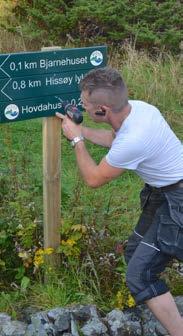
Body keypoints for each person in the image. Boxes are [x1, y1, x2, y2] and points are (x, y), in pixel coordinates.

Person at [56, 66, 183, 336]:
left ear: (102, 109)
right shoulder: (138, 109)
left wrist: (76, 140)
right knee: (135, 252)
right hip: (163, 192)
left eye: (86, 105)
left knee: (140, 276)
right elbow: (115, 139)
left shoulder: (135, 139)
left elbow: (93, 178)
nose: (83, 107)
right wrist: (81, 129)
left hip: (178, 198)